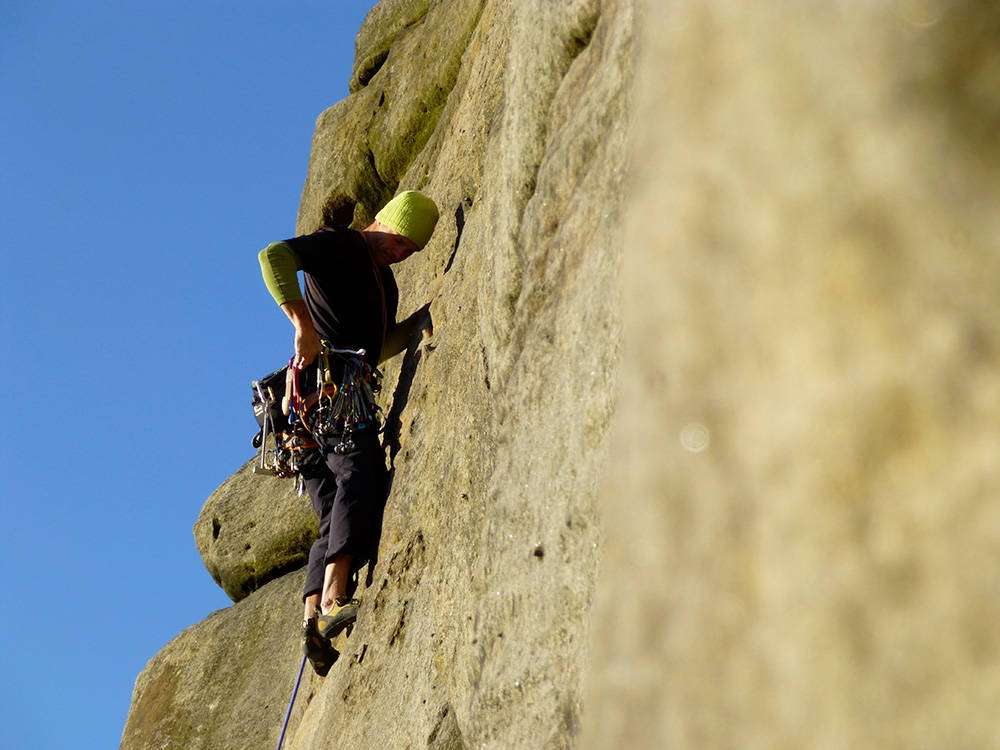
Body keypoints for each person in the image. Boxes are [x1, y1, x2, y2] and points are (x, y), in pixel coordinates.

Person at [258, 190, 440, 675]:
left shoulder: (381, 283)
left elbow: (373, 352)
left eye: (410, 252)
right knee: (360, 474)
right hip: (328, 391)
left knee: (331, 511)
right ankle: (336, 598)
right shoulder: (343, 246)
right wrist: (302, 323)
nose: (400, 254)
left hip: (303, 407)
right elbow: (273, 256)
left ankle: (311, 619)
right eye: (401, 241)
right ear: (384, 221)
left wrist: (412, 326)